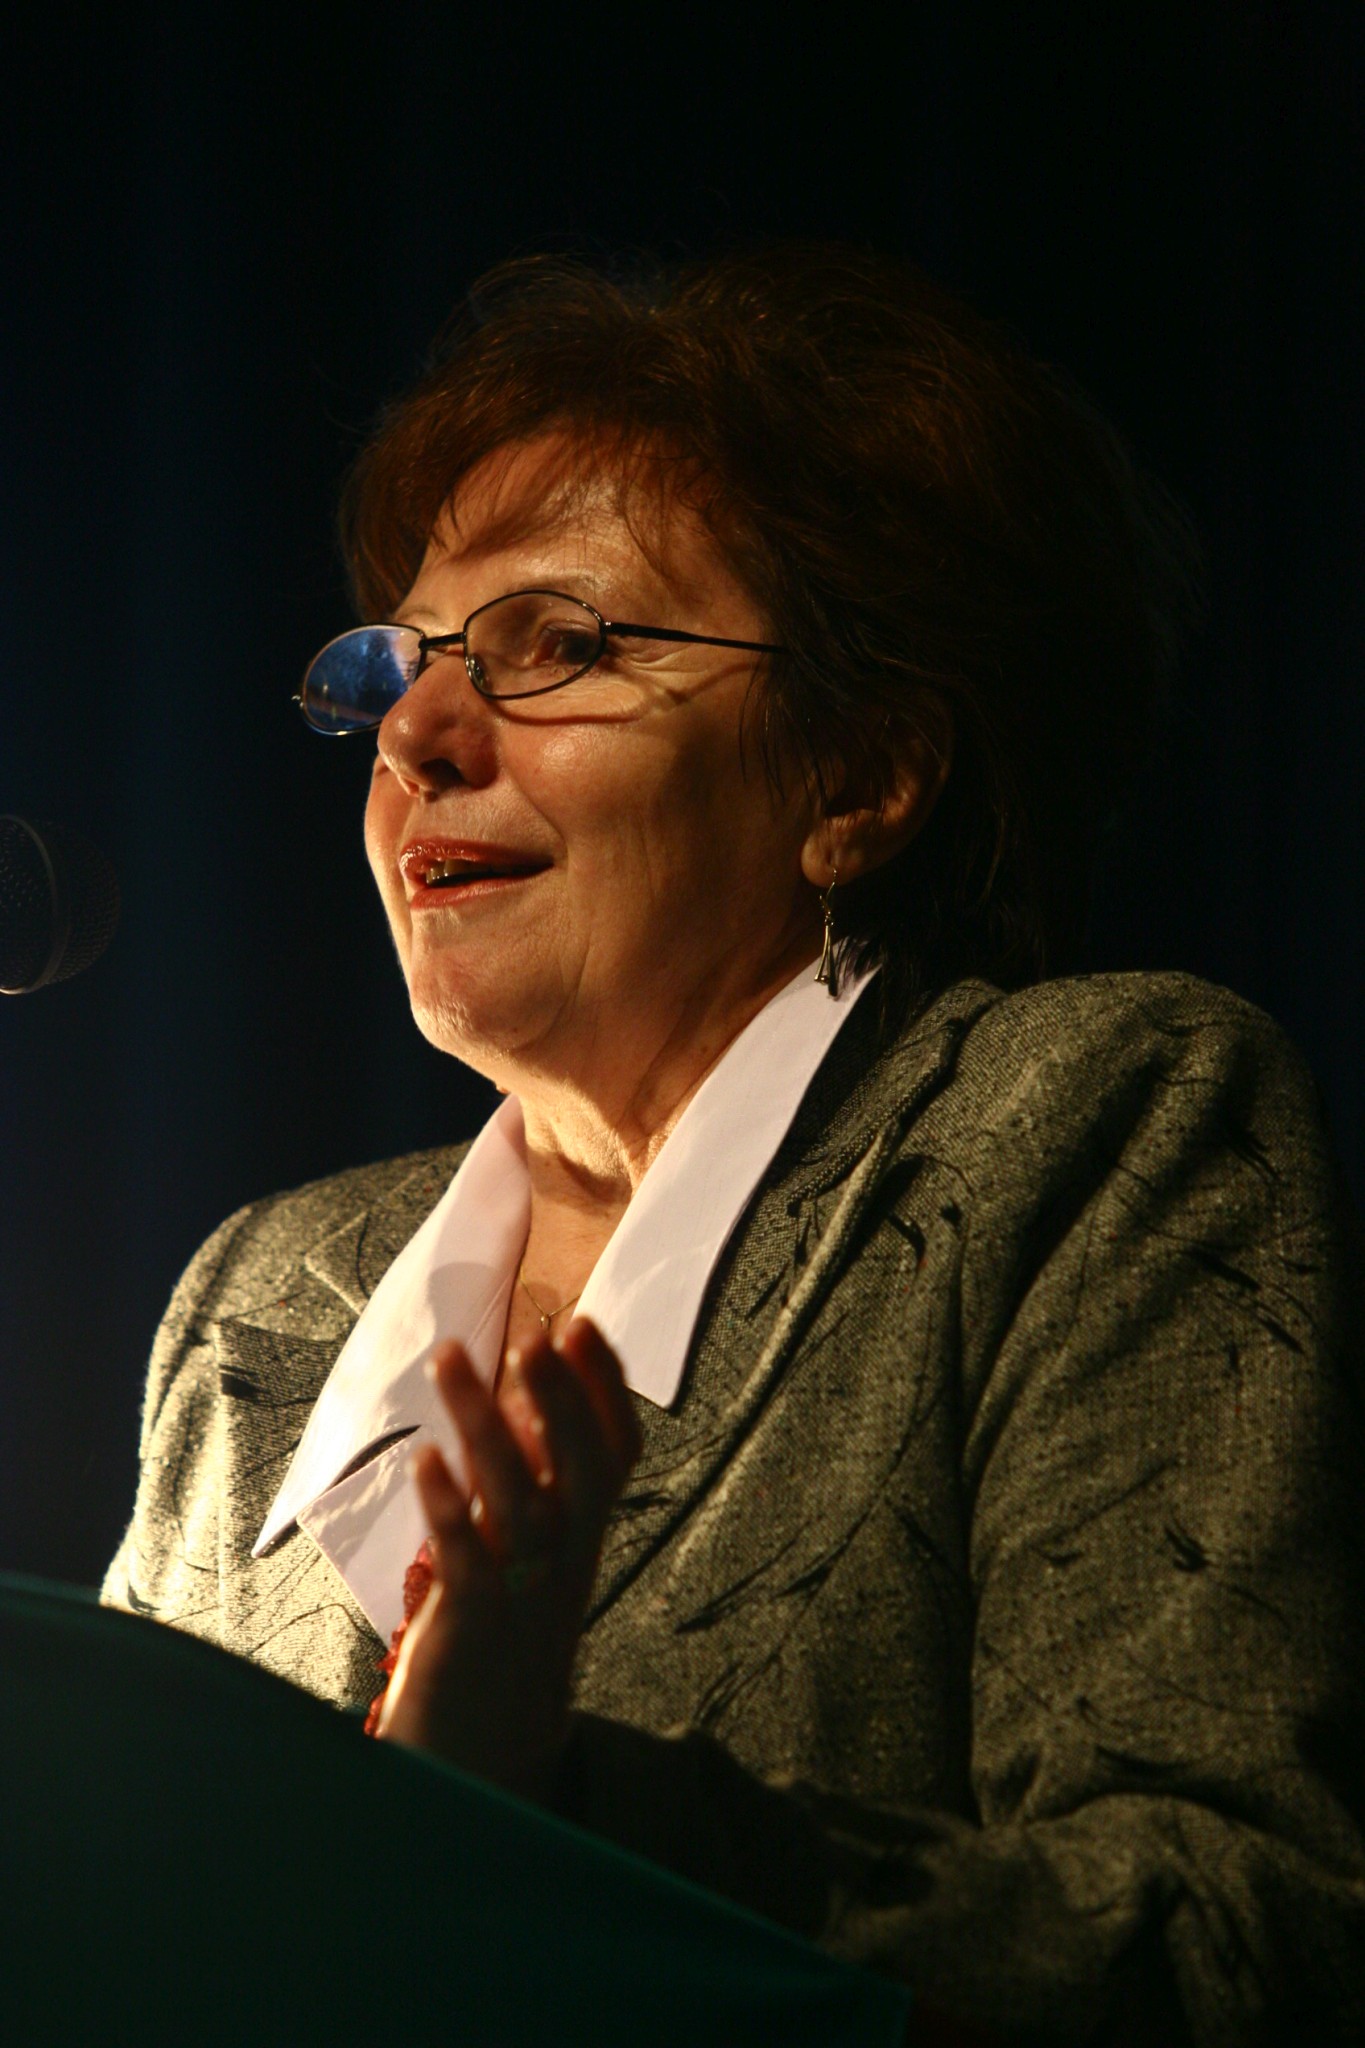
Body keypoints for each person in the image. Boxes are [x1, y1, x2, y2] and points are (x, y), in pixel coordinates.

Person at [102, 246, 1365, 2044]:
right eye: (404, 660)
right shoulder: (258, 1297)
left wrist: (546, 1810)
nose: (421, 733)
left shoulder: (1085, 1126)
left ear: (859, 777)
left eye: (558, 646)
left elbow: (1242, 1948)